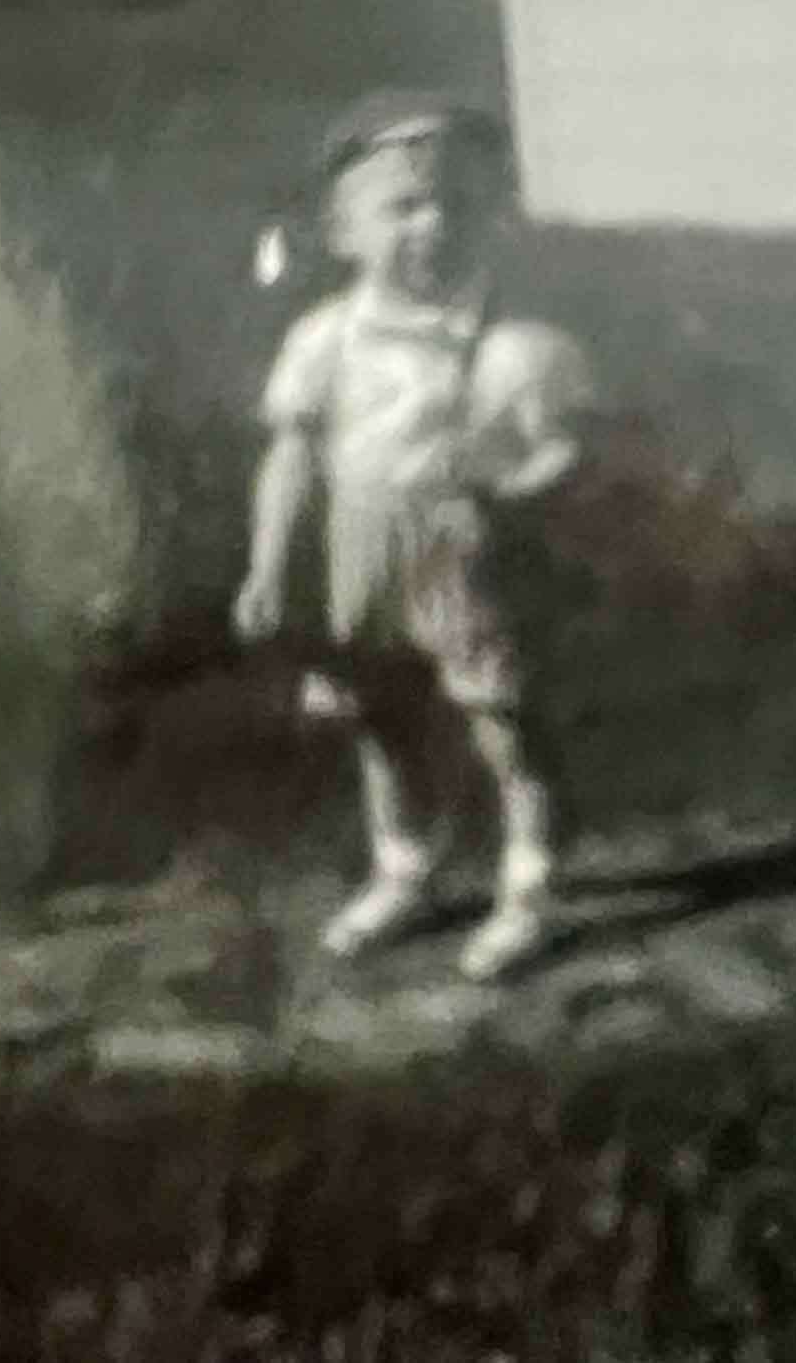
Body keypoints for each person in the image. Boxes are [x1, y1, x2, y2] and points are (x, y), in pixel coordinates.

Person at [232, 92, 597, 982]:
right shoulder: (325, 339)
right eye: (402, 207)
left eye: (456, 205)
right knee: (379, 721)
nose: (431, 224)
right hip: (360, 549)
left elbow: (564, 452)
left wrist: (515, 485)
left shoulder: (512, 343)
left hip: (459, 547)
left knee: (500, 719)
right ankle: (404, 869)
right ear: (343, 230)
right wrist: (270, 565)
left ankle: (531, 884)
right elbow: (293, 457)